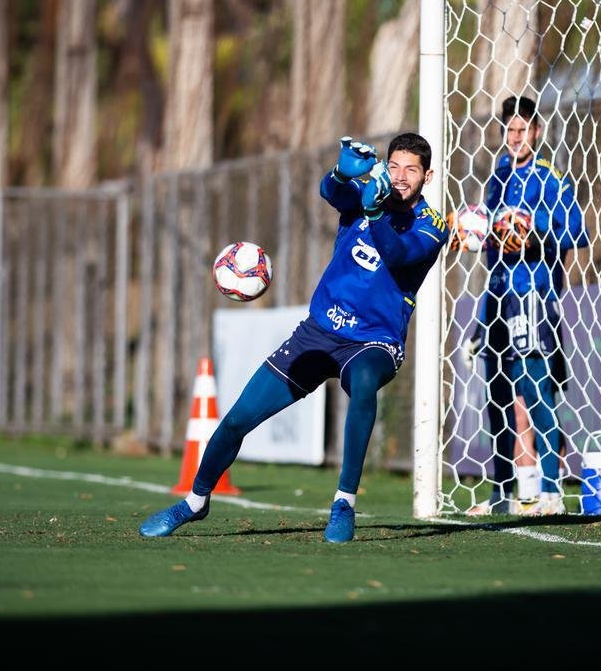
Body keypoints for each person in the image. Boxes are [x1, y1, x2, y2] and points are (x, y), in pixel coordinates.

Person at [140, 133, 447, 542]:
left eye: (411, 169)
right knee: (235, 420)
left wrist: (374, 215)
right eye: (394, 166)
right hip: (318, 333)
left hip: (375, 341)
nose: (401, 176)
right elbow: (330, 191)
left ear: (427, 176)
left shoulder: (433, 225)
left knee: (366, 383)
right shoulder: (368, 195)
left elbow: (400, 255)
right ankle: (195, 502)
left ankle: (344, 501)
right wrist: (340, 172)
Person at [466, 95, 588, 516]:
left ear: (537, 132)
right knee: (497, 395)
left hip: (534, 294)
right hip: (497, 296)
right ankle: (503, 492)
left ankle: (551, 492)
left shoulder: (550, 177)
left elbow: (576, 232)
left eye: (523, 129)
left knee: (536, 392)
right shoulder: (497, 179)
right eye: (510, 130)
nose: (516, 136)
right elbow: (489, 239)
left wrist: (535, 236)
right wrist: (474, 232)